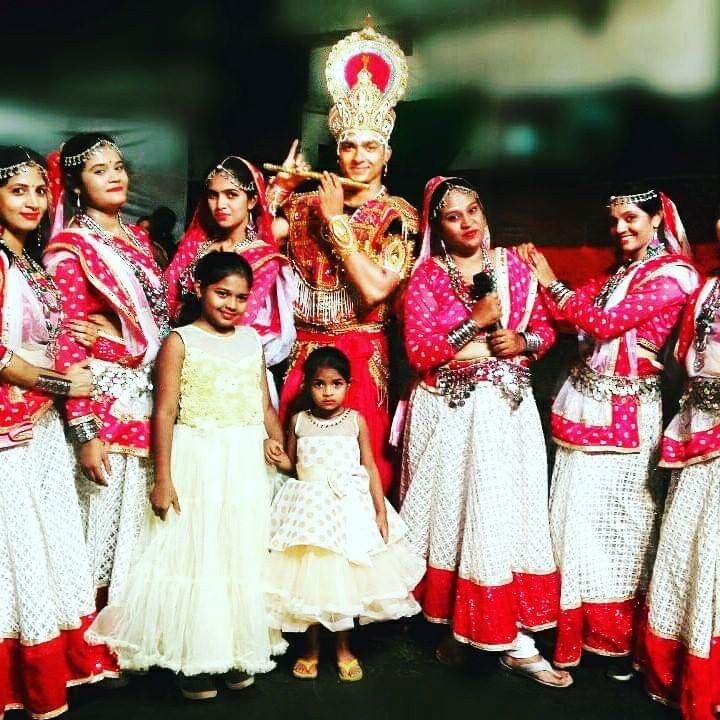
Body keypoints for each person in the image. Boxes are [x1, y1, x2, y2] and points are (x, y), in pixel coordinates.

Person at [87, 252, 286, 700]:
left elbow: (262, 405)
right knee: (199, 553)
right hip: (198, 457)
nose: (231, 305)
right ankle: (194, 658)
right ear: (200, 290)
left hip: (244, 459)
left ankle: (235, 650)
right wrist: (163, 478)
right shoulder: (180, 341)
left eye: (241, 297)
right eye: (222, 294)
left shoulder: (251, 340)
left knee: (239, 551)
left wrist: (275, 443)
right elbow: (164, 411)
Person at [517, 187, 699, 678]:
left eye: (631, 218)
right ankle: (569, 632)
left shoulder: (675, 275)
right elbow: (570, 315)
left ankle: (613, 642)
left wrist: (552, 284)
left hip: (631, 415)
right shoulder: (617, 274)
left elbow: (604, 321)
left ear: (657, 219)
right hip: (584, 407)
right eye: (614, 220)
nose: (620, 228)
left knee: (623, 528)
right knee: (571, 519)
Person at [399, 177, 569, 687]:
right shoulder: (428, 275)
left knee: (506, 516)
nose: (467, 222)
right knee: (460, 518)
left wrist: (523, 340)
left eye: (472, 210)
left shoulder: (513, 266)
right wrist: (473, 322)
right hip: (457, 413)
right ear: (439, 226)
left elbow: (547, 330)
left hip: (510, 413)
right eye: (453, 217)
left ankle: (510, 635)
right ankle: (464, 624)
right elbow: (420, 353)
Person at [267, 19, 418, 493]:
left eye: (371, 146)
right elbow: (253, 250)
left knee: (358, 472)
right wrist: (278, 190)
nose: (359, 156)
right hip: (303, 354)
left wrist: (336, 223)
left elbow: (374, 290)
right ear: (337, 152)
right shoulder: (301, 205)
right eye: (349, 146)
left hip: (361, 356)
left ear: (387, 154)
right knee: (294, 468)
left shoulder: (398, 216)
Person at [0, 146, 109, 718]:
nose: (33, 201)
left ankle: (49, 667)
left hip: (39, 425)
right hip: (10, 430)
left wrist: (89, 331)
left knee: (43, 543)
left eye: (40, 190)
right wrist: (65, 385)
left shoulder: (30, 261)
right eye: (17, 190)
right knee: (14, 549)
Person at [43, 133, 169, 614]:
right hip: (105, 401)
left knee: (139, 519)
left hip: (147, 391)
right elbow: (67, 340)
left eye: (118, 166)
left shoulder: (138, 239)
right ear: (76, 184)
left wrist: (125, 337)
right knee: (102, 513)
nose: (115, 176)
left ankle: (134, 625)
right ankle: (96, 630)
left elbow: (159, 320)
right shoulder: (70, 248)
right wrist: (85, 432)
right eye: (99, 170)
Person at [264, 346, 423, 681]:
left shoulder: (354, 421)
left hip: (348, 509)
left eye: (336, 384)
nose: (328, 392)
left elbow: (370, 467)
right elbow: (293, 465)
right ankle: (311, 648)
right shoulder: (299, 421)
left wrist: (380, 512)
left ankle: (343, 647)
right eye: (319, 384)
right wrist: (277, 456)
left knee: (345, 581)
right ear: (307, 385)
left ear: (348, 385)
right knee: (309, 582)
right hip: (309, 511)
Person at [636, 269, 720, 719]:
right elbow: (683, 361)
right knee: (689, 547)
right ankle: (684, 669)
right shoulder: (707, 289)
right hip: (698, 434)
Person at [164, 156, 295, 398]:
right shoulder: (195, 246)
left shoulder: (264, 257)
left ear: (252, 200)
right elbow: (163, 298)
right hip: (177, 356)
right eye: (213, 195)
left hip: (231, 370)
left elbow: (240, 318)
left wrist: (184, 311)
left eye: (231, 195)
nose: (220, 204)